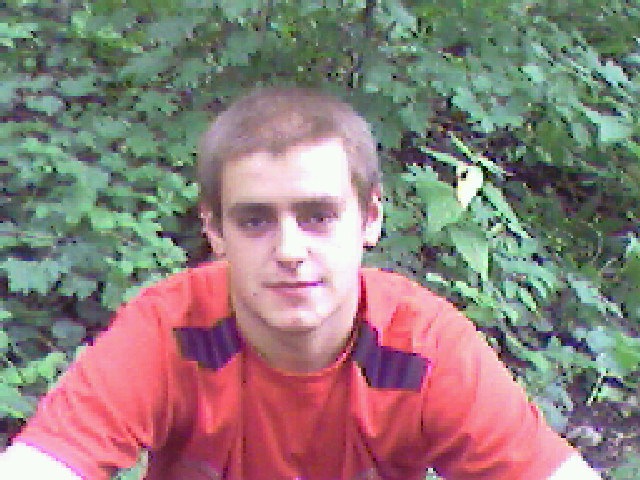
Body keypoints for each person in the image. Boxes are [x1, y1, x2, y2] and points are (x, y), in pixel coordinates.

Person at [1, 87, 601, 480]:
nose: (289, 251)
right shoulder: (171, 330)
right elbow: (40, 466)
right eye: (255, 220)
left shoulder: (423, 346)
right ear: (214, 230)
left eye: (317, 216)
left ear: (370, 219)